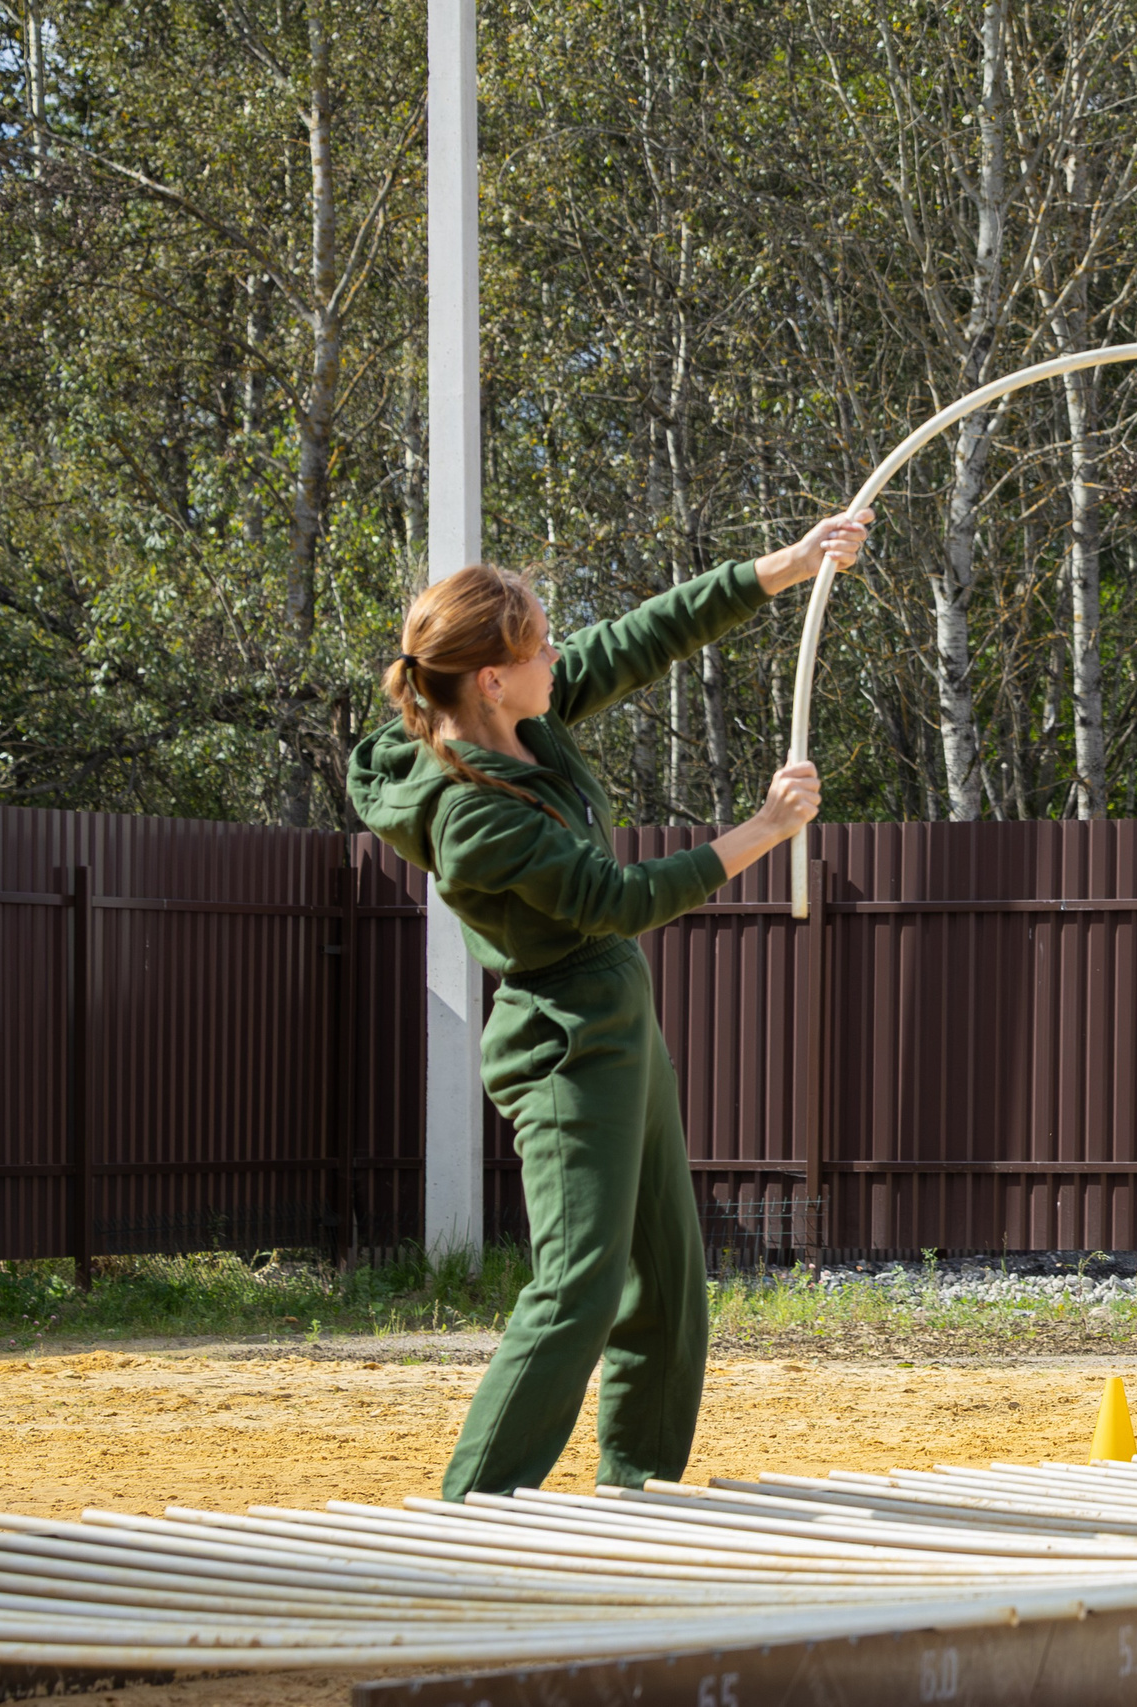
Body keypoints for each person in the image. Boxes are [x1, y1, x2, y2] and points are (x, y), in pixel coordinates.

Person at [347, 511, 870, 1499]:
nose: (559, 652)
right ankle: (477, 1508)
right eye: (540, 643)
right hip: (560, 1039)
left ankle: (639, 1488)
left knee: (667, 1283)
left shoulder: (522, 719)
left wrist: (785, 568)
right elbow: (618, 901)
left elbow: (639, 639)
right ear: (490, 680)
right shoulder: (473, 813)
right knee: (577, 1288)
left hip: (617, 1018)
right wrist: (766, 827)